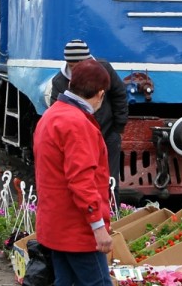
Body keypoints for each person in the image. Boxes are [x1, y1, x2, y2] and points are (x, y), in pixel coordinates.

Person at [34, 57, 119, 286]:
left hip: (54, 223)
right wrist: (98, 226)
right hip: (76, 228)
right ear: (98, 93)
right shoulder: (79, 123)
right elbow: (82, 181)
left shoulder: (53, 114)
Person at [48, 39, 128, 193]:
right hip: (79, 139)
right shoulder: (60, 81)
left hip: (107, 132)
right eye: (72, 66)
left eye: (80, 65)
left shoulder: (104, 69)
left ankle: (112, 213)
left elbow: (119, 94)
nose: (77, 70)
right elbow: (56, 111)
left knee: (110, 181)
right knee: (84, 180)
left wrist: (118, 128)